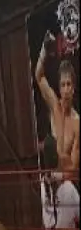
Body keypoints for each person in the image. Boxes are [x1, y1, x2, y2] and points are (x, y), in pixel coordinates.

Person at [34, 34, 79, 177]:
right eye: (63, 85)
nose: (66, 89)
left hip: (66, 183)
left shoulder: (77, 122)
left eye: (68, 84)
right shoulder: (55, 106)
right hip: (49, 179)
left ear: (73, 88)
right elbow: (39, 76)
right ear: (59, 88)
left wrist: (60, 158)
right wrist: (44, 51)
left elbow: (74, 167)